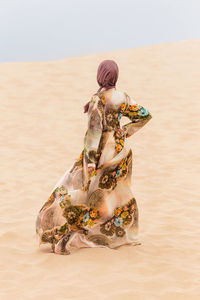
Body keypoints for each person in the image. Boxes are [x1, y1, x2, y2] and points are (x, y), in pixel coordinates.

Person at [35, 59, 152, 255]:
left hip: (101, 154)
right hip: (121, 153)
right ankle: (125, 236)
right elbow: (144, 115)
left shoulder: (98, 99)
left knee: (89, 197)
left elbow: (93, 133)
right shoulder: (122, 97)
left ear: (100, 76)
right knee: (119, 196)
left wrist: (89, 162)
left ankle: (65, 238)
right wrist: (124, 131)